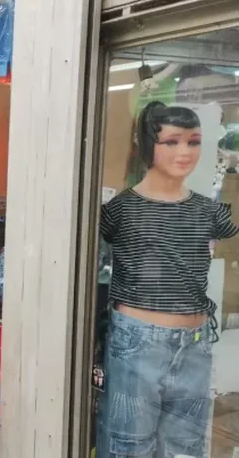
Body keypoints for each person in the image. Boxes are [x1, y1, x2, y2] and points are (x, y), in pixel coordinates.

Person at [97, 101, 239, 458]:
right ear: (148, 145)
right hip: (138, 341)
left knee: (187, 446)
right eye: (172, 141)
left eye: (194, 142)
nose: (185, 152)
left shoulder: (209, 210)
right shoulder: (120, 209)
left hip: (196, 341)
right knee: (129, 445)